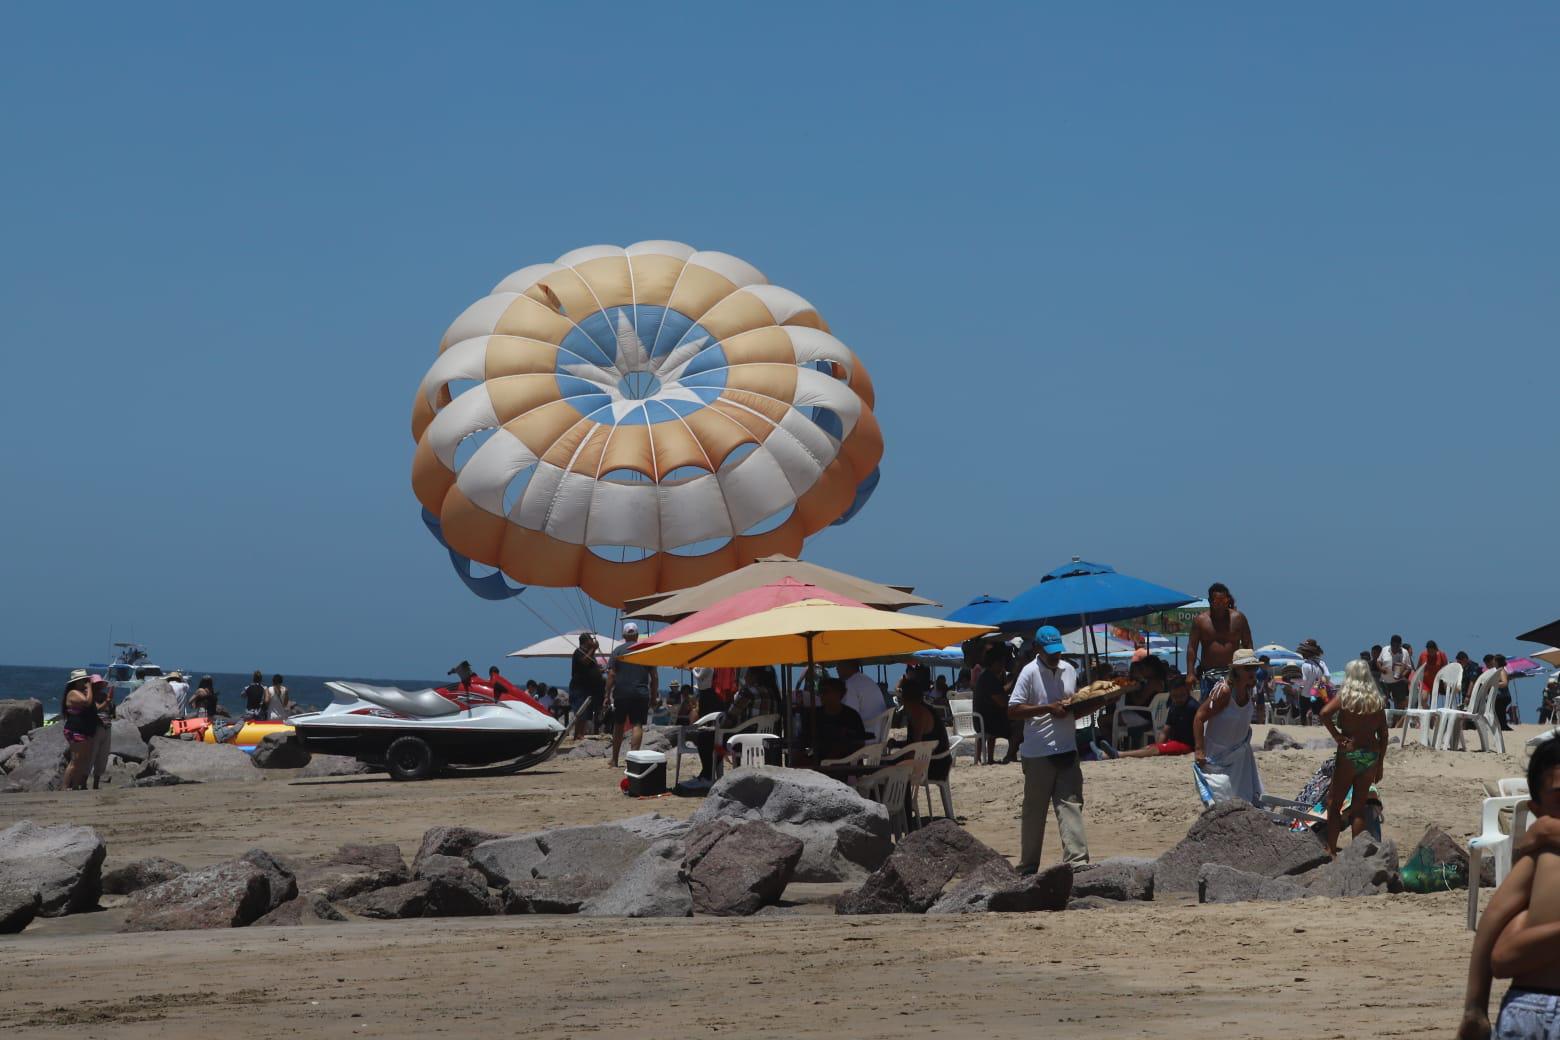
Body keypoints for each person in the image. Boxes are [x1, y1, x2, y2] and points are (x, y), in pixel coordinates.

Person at [1458, 737, 1560, 1039]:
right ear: (1536, 806)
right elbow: (1492, 919)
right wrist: (1474, 1008)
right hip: (1527, 1003)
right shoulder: (1541, 856)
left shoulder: (1542, 845)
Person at [1007, 625, 1088, 872]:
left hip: (1066, 749)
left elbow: (1073, 710)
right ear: (1038, 649)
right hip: (1038, 752)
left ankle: (1078, 862)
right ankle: (1029, 865)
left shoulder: (1069, 670)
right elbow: (1013, 709)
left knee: (1071, 805)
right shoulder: (1029, 672)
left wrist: (1100, 701)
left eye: (1057, 651)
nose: (1055, 656)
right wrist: (1047, 708)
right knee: (1035, 811)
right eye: (1050, 652)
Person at [1319, 659, 1389, 857]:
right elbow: (1383, 734)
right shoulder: (1376, 700)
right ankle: (1356, 853)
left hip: (1350, 752)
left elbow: (1324, 713)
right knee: (1358, 807)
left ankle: (1331, 850)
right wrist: (1380, 764)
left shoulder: (1346, 696)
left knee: (1335, 803)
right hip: (1370, 755)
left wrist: (1336, 735)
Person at [1193, 648, 1263, 805]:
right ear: (1236, 669)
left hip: (1241, 758)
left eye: (1255, 667)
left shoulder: (1249, 690)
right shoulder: (1224, 691)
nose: (1252, 671)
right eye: (1248, 668)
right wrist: (1199, 750)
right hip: (1218, 755)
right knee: (1220, 797)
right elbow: (1199, 717)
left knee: (1244, 801)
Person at [1185, 582, 1254, 699]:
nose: (1221, 605)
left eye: (1224, 601)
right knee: (1210, 711)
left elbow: (1248, 645)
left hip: (1234, 674)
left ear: (1228, 600)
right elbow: (1192, 647)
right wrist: (1190, 673)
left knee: (1234, 711)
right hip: (1209, 675)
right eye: (1217, 601)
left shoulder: (1239, 618)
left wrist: (1250, 672)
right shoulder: (1200, 621)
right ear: (1210, 601)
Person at [606, 622, 657, 768]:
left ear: (623, 635)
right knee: (637, 724)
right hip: (640, 693)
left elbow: (611, 675)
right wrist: (653, 696)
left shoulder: (617, 651)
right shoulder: (645, 650)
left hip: (621, 693)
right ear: (636, 635)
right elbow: (654, 676)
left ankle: (614, 760)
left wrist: (606, 694)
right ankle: (633, 760)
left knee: (619, 724)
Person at [1119, 672, 1197, 758]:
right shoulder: (1174, 706)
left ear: (1188, 692)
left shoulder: (1192, 707)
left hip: (1187, 746)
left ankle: (1119, 754)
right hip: (1175, 743)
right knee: (1149, 747)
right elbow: (1165, 731)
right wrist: (1158, 745)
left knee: (1153, 750)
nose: (1178, 699)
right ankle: (1115, 754)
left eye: (1182, 695)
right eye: (1175, 696)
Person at [803, 676, 868, 769]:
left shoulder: (851, 716)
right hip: (818, 760)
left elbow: (858, 744)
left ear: (839, 694)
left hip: (845, 764)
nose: (821, 695)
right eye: (820, 692)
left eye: (826, 691)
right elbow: (804, 739)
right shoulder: (814, 715)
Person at [60, 670, 98, 790]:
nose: (85, 683)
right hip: (74, 729)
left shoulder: (80, 692)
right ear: (77, 682)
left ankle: (76, 786)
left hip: (82, 729)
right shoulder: (73, 693)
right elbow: (87, 702)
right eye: (84, 681)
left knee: (83, 760)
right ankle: (64, 786)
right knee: (75, 760)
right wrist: (90, 688)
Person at [975, 644, 1013, 766]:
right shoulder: (989, 678)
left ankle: (988, 758)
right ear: (994, 663)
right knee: (1016, 726)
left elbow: (1000, 691)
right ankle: (1010, 755)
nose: (1003, 666)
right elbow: (1002, 702)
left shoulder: (988, 676)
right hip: (986, 719)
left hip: (982, 717)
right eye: (1001, 663)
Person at [569, 633, 606, 738]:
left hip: (589, 688)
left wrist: (600, 671)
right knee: (580, 713)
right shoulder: (578, 652)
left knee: (586, 714)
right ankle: (578, 734)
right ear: (586, 641)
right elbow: (584, 661)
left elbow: (591, 667)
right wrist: (593, 649)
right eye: (591, 639)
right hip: (579, 688)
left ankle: (581, 734)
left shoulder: (590, 654)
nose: (593, 641)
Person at [839, 661, 887, 734]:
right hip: (879, 732)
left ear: (848, 666)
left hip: (865, 735)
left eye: (839, 665)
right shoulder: (868, 681)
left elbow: (850, 716)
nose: (837, 669)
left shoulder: (851, 684)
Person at [88, 674, 115, 789]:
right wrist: (107, 702)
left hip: (106, 727)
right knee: (91, 756)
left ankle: (96, 783)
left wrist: (110, 704)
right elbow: (96, 709)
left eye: (100, 684)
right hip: (95, 728)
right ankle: (83, 782)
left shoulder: (104, 696)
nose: (99, 686)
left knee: (102, 757)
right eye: (97, 684)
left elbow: (112, 712)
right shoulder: (90, 697)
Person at [1296, 639, 1331, 724]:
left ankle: (1304, 729)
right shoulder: (1322, 663)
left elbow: (1304, 681)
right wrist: (1319, 683)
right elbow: (1328, 676)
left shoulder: (1305, 665)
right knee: (1318, 714)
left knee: (1303, 714)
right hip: (1318, 692)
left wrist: (1299, 689)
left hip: (1306, 694)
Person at [1377, 634, 1413, 712]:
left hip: (1398, 682)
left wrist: (1402, 675)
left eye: (1397, 646)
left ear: (1400, 645)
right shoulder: (1384, 649)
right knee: (1382, 702)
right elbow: (1378, 662)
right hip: (1384, 681)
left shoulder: (1405, 652)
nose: (1395, 647)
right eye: (1394, 645)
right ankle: (1384, 720)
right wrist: (1381, 669)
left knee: (1400, 704)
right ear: (1391, 644)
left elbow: (1408, 668)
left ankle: (1398, 721)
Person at [1493, 655, 1514, 732]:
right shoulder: (1499, 670)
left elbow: (1504, 683)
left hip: (1503, 697)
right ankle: (1503, 727)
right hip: (1501, 697)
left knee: (1500, 713)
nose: (1493, 662)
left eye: (1494, 661)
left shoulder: (1501, 671)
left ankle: (1504, 727)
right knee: (1500, 713)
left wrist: (1493, 684)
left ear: (1497, 662)